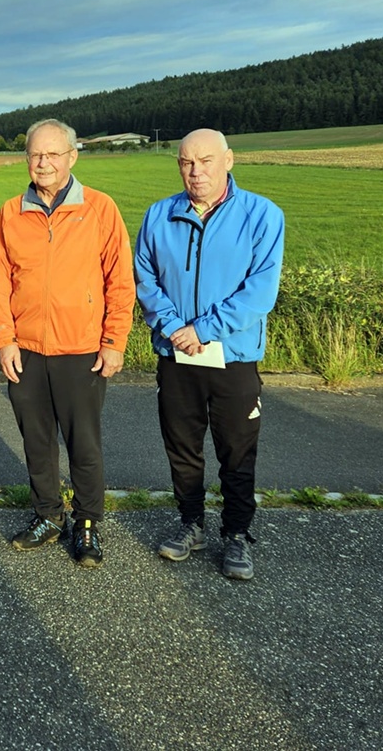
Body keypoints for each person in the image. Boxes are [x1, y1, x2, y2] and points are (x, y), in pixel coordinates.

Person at [134, 128, 285, 581]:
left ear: (228, 160)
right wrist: (174, 328)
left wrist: (201, 329)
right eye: (186, 162)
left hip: (233, 357)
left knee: (237, 451)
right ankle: (191, 524)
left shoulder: (261, 215)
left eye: (205, 161)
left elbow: (260, 291)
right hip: (176, 356)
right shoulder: (159, 215)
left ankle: (236, 533)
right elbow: (144, 279)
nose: (195, 171)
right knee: (182, 447)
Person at [0, 118, 135, 567]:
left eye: (53, 153)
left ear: (72, 157)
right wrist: (5, 340)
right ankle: (48, 516)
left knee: (83, 444)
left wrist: (114, 340)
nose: (44, 162)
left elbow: (120, 281)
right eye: (36, 154)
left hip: (82, 350)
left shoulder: (100, 208)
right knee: (37, 442)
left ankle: (87, 523)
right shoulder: (11, 213)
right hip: (27, 350)